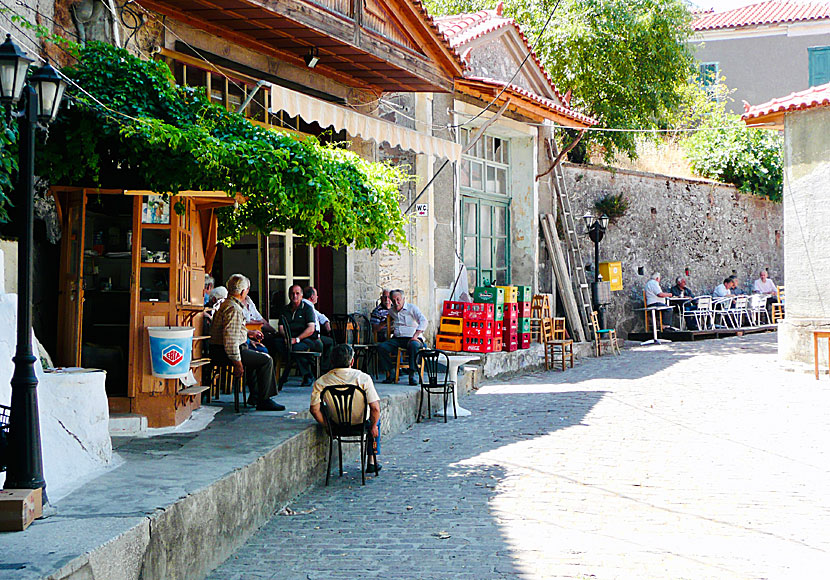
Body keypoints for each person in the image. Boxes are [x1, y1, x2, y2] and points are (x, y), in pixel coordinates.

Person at [208, 274, 284, 411]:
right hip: (225, 352)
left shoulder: (227, 304)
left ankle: (256, 396)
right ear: (243, 292)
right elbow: (230, 341)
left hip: (220, 348)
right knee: (266, 360)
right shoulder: (233, 308)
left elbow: (232, 331)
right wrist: (237, 363)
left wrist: (248, 336)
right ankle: (264, 399)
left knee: (258, 355)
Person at [309, 344, 381, 474]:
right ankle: (371, 460)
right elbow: (375, 408)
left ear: (331, 361)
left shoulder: (321, 381)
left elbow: (314, 410)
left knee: (323, 407)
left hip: (336, 425)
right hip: (361, 424)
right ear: (352, 361)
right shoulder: (363, 378)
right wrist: (374, 426)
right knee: (376, 420)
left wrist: (327, 426)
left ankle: (371, 459)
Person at [274, 284, 323, 387]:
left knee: (296, 348)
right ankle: (302, 369)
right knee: (275, 343)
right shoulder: (285, 309)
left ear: (301, 295)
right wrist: (287, 338)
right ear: (289, 295)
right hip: (288, 338)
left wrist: (296, 339)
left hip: (305, 338)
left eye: (297, 293)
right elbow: (281, 328)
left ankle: (305, 374)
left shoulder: (307, 308)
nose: (294, 296)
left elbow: (311, 328)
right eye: (292, 293)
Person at [377, 289, 427, 385]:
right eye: (393, 300)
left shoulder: (412, 308)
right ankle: (391, 372)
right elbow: (389, 320)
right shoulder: (391, 311)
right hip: (398, 339)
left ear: (404, 299)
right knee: (381, 347)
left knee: (414, 345)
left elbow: (423, 321)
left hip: (413, 338)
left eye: (398, 299)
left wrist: (415, 335)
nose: (396, 302)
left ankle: (412, 375)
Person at [303, 286, 334, 366]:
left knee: (328, 341)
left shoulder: (309, 305)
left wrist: (326, 321)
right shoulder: (307, 306)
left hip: (312, 336)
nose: (317, 297)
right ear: (312, 296)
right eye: (316, 295)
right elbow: (313, 325)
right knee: (330, 342)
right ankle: (323, 367)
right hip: (310, 336)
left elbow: (320, 316)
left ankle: (322, 366)